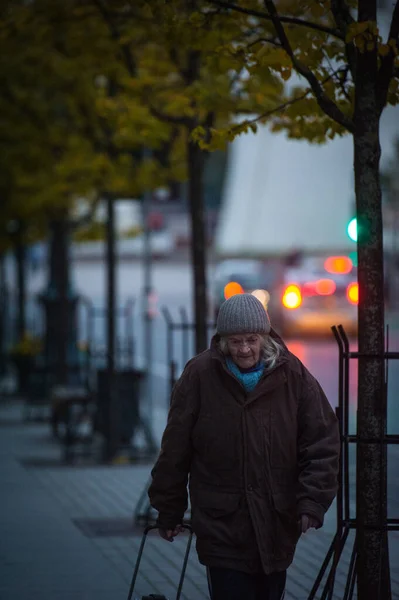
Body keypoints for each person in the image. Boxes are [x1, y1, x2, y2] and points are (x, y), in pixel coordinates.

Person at [148, 293, 340, 600]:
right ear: (223, 341)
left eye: (251, 339)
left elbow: (322, 441)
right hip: (221, 523)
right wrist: (169, 510)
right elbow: (175, 449)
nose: (245, 349)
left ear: (264, 337)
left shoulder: (292, 374)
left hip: (277, 522)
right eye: (235, 341)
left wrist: (313, 500)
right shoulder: (199, 375)